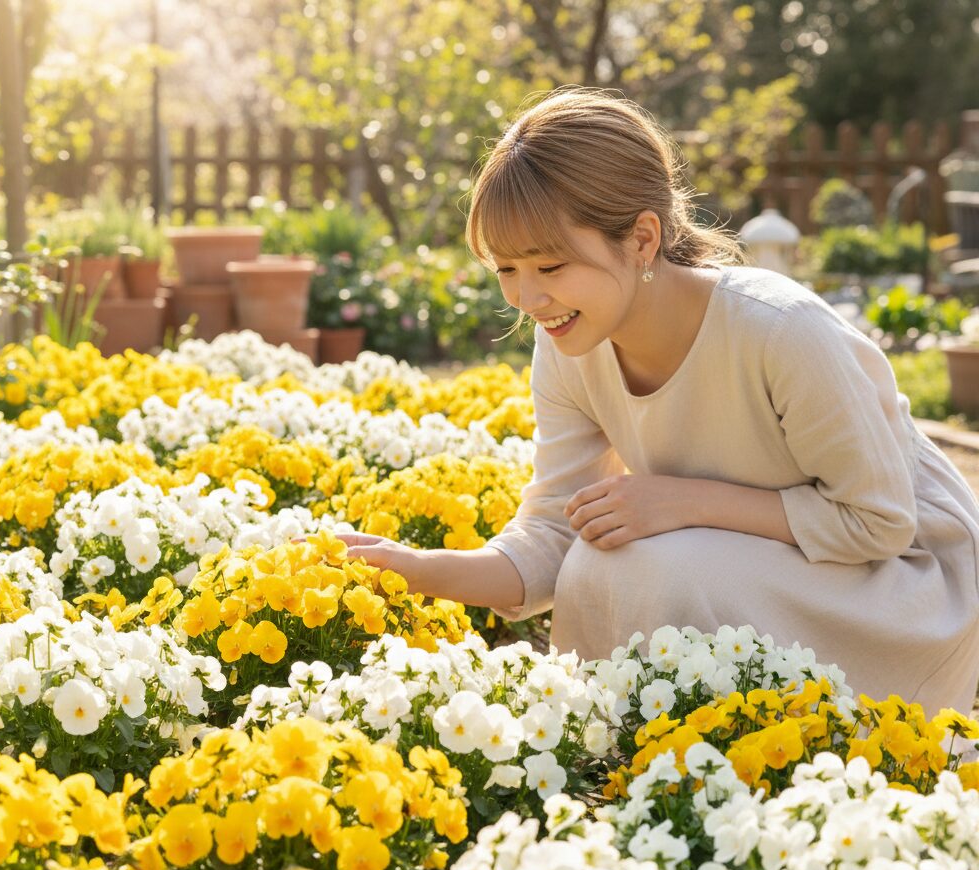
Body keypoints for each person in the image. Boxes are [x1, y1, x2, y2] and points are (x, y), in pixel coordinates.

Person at [341, 88, 979, 717]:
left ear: (643, 238)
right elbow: (553, 534)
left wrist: (683, 501)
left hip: (904, 582)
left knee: (654, 567)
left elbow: (878, 521)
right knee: (603, 559)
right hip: (761, 560)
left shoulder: (779, 329)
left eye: (551, 266)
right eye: (506, 269)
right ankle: (641, 767)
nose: (526, 299)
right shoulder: (567, 341)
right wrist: (415, 569)